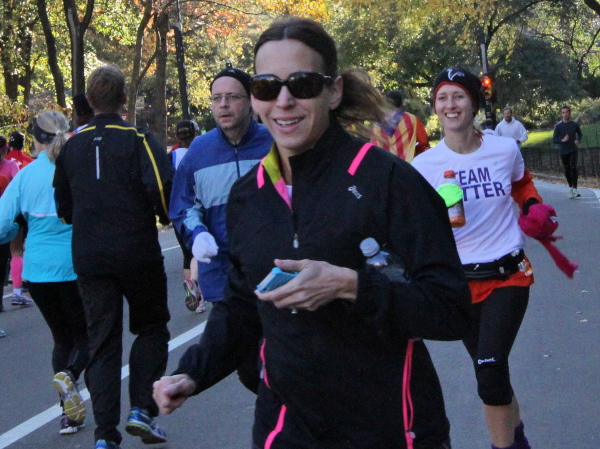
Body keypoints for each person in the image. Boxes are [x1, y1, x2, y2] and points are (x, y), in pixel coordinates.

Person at [155, 18, 471, 449]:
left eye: (302, 84)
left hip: (389, 427)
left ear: (333, 91)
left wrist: (352, 286)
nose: (284, 101)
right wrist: (193, 372)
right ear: (255, 98)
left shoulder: (388, 181)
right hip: (286, 427)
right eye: (267, 87)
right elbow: (244, 304)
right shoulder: (248, 195)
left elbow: (451, 308)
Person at [412, 66, 544, 449]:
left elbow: (521, 182)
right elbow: (415, 226)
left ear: (473, 102)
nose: (450, 105)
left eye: (458, 96)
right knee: (493, 375)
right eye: (442, 98)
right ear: (435, 107)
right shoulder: (423, 166)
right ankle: (517, 438)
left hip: (508, 274)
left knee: (489, 370)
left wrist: (533, 206)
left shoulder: (504, 150)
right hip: (460, 285)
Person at [53, 65, 173, 449]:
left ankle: (105, 435)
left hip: (90, 257)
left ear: (89, 101)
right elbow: (161, 187)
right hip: (137, 251)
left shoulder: (71, 146)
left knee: (102, 341)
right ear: (124, 98)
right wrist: (163, 217)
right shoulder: (139, 139)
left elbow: (63, 205)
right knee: (151, 327)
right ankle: (141, 410)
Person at [0, 110, 89, 435]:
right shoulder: (79, 169)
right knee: (89, 335)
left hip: (37, 272)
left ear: (35, 139)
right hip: (77, 264)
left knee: (61, 338)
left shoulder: (25, 176)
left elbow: (1, 226)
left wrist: (16, 230)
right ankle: (71, 375)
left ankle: (68, 414)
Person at [169, 67, 272, 313]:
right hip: (221, 278)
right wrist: (197, 235)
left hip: (273, 274)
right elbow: (183, 206)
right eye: (217, 98)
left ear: (251, 102)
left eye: (232, 97)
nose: (223, 104)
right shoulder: (198, 151)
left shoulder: (275, 143)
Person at [169, 119, 203, 311]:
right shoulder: (201, 152)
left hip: (178, 211)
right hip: (198, 208)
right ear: (196, 134)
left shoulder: (171, 157)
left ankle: (192, 295)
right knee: (202, 251)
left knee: (186, 254)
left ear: (177, 137)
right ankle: (200, 293)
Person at [370, 89, 430, 162]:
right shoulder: (412, 119)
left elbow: (374, 148)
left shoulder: (377, 124)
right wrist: (414, 151)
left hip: (385, 165)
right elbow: (423, 142)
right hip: (408, 164)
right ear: (401, 102)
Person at [553, 105, 583, 198]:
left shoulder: (574, 124)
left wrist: (577, 140)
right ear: (561, 114)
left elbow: (580, 134)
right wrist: (562, 140)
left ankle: (575, 189)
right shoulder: (559, 126)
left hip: (573, 149)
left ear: (569, 113)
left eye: (567, 112)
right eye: (563, 113)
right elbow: (554, 139)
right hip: (563, 150)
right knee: (567, 169)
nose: (565, 114)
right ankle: (570, 187)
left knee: (573, 167)